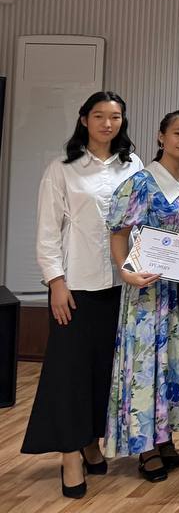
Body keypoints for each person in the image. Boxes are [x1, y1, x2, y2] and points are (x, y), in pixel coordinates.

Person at [22, 92, 143, 499]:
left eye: (115, 117)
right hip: (76, 285)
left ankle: (92, 440)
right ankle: (70, 454)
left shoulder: (132, 164)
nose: (108, 124)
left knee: (105, 370)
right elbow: (47, 231)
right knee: (69, 373)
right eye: (99, 116)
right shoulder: (62, 168)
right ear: (84, 120)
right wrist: (55, 281)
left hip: (122, 285)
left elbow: (141, 223)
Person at [103, 110, 179, 479]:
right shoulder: (141, 181)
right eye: (178, 133)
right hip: (147, 287)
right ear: (161, 136)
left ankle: (166, 437)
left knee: (175, 362)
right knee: (146, 365)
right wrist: (124, 270)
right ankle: (145, 446)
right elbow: (118, 232)